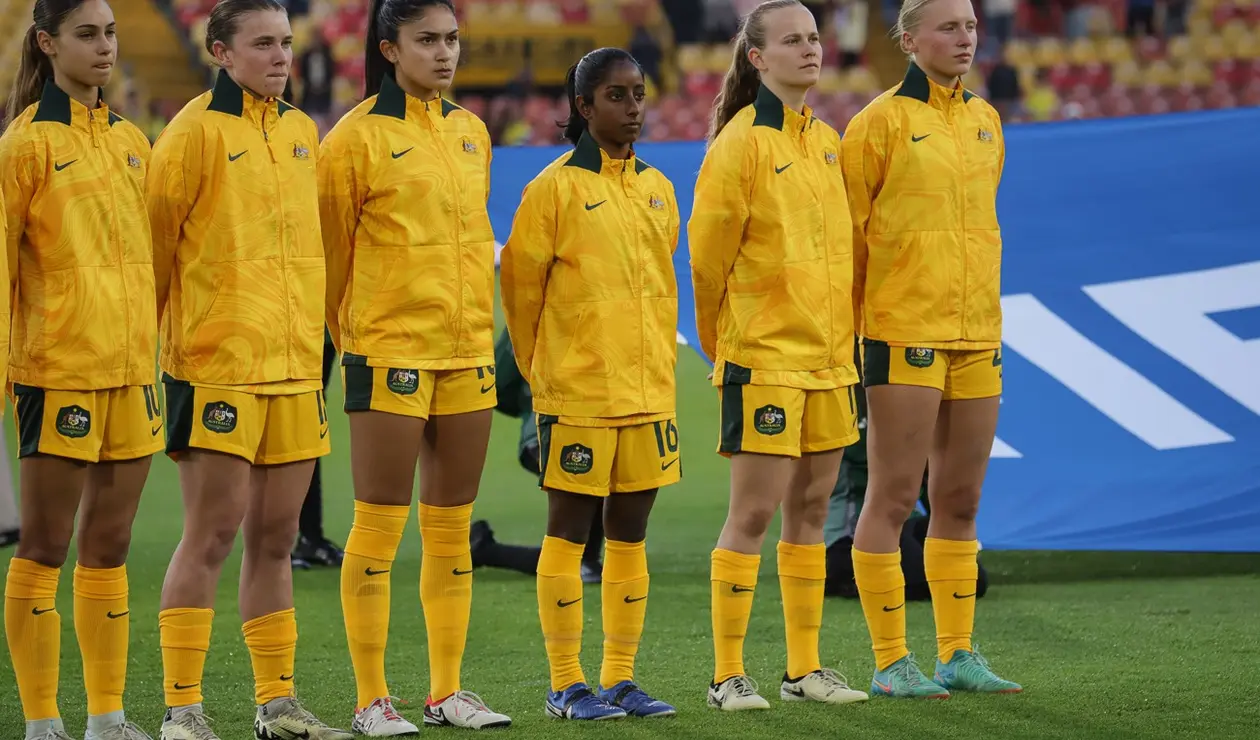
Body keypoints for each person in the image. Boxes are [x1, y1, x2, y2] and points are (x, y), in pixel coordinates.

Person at [146, 2, 353, 738]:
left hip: (295, 369)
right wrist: (162, 360)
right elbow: (155, 259)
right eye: (262, 44)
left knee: (277, 540)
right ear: (219, 52)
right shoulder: (191, 134)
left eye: (286, 44)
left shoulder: (302, 133)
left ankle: (277, 704)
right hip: (216, 368)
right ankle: (184, 709)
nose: (279, 56)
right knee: (211, 536)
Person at [316, 0, 510, 732]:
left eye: (452, 39)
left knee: (452, 527)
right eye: (427, 40)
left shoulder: (471, 133)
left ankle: (447, 691)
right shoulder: (354, 139)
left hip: (466, 352)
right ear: (390, 49)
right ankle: (371, 699)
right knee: (378, 525)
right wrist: (346, 345)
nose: (444, 53)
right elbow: (331, 262)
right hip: (389, 352)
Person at [688, 0, 870, 712]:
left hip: (829, 362)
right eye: (792, 41)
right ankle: (726, 674)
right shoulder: (740, 143)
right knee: (754, 514)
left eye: (815, 38)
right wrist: (727, 344)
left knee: (816, 507)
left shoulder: (826, 140)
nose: (810, 49)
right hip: (763, 358)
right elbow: (706, 262)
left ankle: (804, 669)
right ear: (757, 58)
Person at [841, 0, 1021, 699]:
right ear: (910, 38)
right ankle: (891, 663)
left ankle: (956, 655)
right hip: (902, 332)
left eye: (972, 26)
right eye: (950, 26)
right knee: (891, 497)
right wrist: (855, 334)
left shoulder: (986, 120)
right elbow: (851, 239)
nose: (966, 38)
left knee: (961, 500)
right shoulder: (878, 123)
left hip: (978, 333)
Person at [501, 46, 681, 722]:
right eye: (616, 95)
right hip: (577, 392)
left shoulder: (659, 187)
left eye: (638, 93)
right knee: (569, 535)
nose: (632, 107)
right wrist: (546, 374)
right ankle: (566, 682)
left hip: (647, 392)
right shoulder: (552, 189)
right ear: (583, 107)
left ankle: (621, 678)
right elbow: (520, 295)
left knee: (630, 533)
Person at [1, 2, 157, 738]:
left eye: (110, 33)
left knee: (110, 546)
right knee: (44, 546)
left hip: (132, 370)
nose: (104, 47)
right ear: (47, 43)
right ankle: (40, 721)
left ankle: (106, 717)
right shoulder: (24, 146)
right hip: (56, 369)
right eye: (87, 34)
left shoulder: (131, 140)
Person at [823, 381, 990, 600]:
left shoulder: (910, 404)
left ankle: (859, 577)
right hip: (851, 530)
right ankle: (848, 575)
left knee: (972, 580)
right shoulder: (841, 402)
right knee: (919, 581)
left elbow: (928, 476)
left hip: (904, 518)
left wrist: (943, 525)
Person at [470, 328, 604, 584]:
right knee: (595, 489)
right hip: (556, 429)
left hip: (546, 428)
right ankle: (582, 561)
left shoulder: (530, 307)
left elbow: (500, 382)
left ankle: (486, 550)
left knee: (597, 492)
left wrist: (527, 402)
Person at [291, 327, 345, 571]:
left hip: (320, 324)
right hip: (293, 327)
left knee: (307, 421)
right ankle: (300, 536)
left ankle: (309, 536)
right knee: (301, 421)